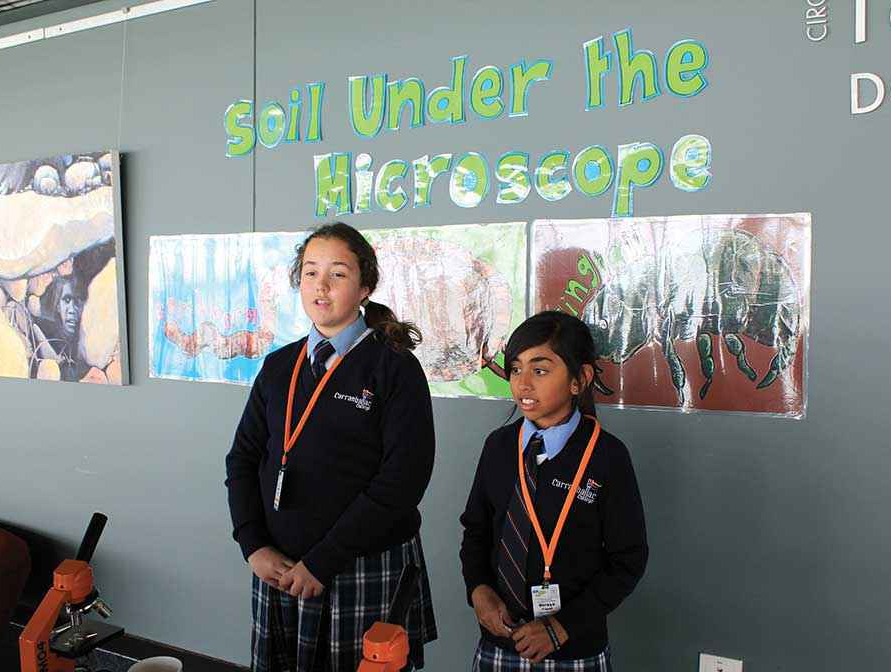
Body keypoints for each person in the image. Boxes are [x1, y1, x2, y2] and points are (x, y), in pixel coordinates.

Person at [225, 222, 437, 672]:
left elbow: (402, 482)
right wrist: (252, 544)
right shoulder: (280, 365)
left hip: (358, 568)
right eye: (309, 272)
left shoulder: (393, 367)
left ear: (365, 286)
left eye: (338, 274)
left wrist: (323, 561)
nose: (321, 286)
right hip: (279, 570)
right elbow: (243, 457)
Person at [460, 311, 648, 670]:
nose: (523, 384)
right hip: (500, 643)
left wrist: (562, 628)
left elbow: (628, 561)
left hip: (573, 648)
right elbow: (476, 531)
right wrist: (478, 590)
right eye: (516, 369)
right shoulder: (499, 447)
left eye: (540, 370)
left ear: (580, 379)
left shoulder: (607, 457)